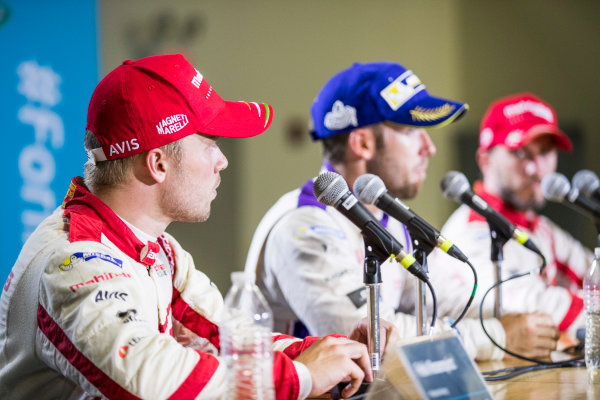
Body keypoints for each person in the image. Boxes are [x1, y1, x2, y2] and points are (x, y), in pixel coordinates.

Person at [0, 54, 393, 400]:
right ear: (158, 164)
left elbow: (227, 339)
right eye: (209, 143)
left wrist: (329, 351)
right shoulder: (72, 261)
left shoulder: (157, 248)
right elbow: (149, 384)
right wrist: (300, 376)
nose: (222, 161)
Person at [245, 63, 559, 361]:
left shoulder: (390, 220)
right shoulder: (304, 226)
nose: (429, 147)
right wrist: (500, 337)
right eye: (412, 130)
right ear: (363, 143)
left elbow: (441, 297)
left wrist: (525, 320)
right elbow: (372, 340)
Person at [429, 92, 592, 344]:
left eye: (546, 151)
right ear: (484, 160)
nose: (535, 168)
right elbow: (524, 308)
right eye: (520, 152)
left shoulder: (539, 226)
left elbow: (592, 271)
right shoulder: (472, 228)